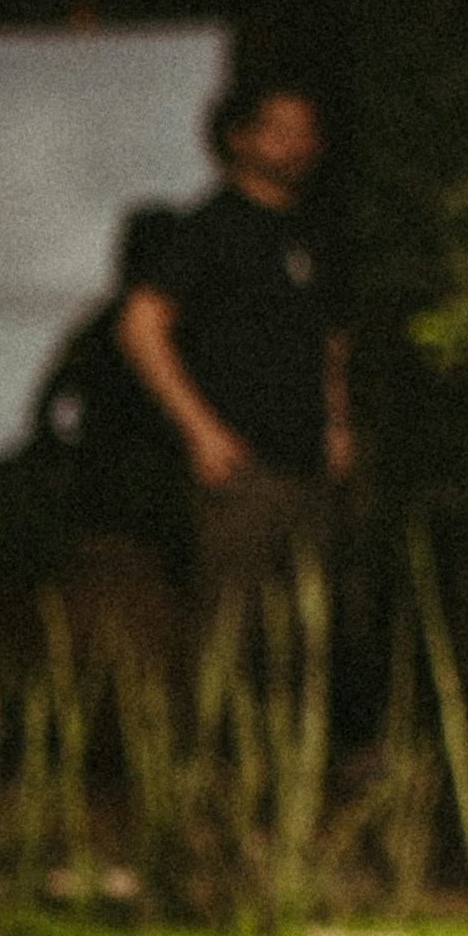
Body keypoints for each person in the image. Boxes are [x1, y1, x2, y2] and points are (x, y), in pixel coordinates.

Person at [101, 77, 355, 643]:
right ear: (240, 138)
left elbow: (332, 340)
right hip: (241, 474)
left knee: (307, 641)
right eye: (280, 130)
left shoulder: (313, 235)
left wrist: (338, 424)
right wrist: (201, 433)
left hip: (309, 467)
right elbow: (140, 327)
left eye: (306, 131)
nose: (297, 144)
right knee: (232, 641)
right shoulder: (209, 229)